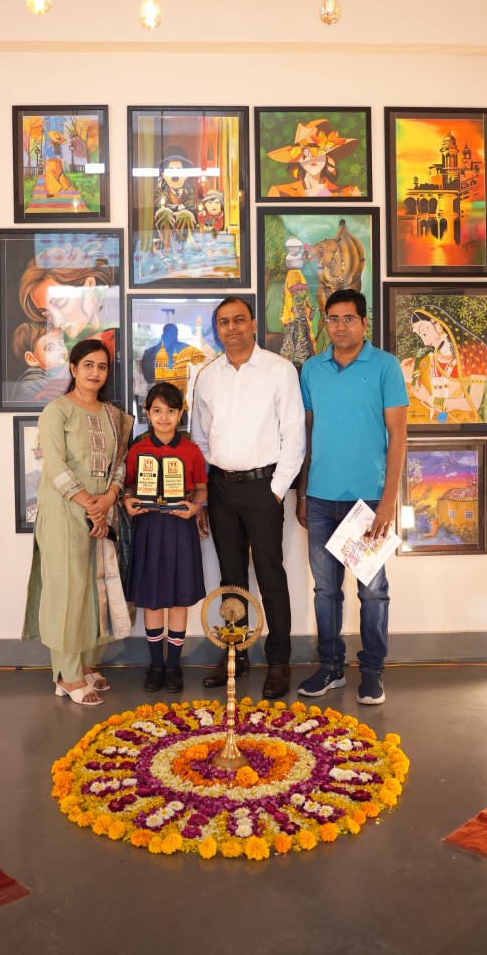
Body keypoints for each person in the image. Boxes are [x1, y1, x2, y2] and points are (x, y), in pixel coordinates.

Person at [297, 288, 408, 706]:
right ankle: (330, 667)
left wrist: (388, 501)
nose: (340, 326)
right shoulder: (312, 370)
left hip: (368, 502)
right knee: (325, 590)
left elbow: (399, 435)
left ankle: (373, 670)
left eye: (349, 318)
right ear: (325, 322)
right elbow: (307, 435)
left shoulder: (385, 366)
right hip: (320, 499)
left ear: (364, 323)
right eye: (333, 318)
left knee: (372, 591)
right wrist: (303, 492)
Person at [191, 297, 305, 699]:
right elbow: (200, 438)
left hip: (263, 486)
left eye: (239, 319)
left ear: (253, 324)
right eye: (224, 322)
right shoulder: (208, 376)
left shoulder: (279, 370)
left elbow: (294, 434)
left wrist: (276, 490)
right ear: (217, 329)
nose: (232, 327)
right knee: (231, 577)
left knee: (271, 576)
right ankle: (235, 655)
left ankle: (279, 662)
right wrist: (205, 492)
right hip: (221, 488)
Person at [22, 339, 133, 707]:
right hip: (64, 513)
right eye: (88, 365)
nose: (95, 373)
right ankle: (66, 675)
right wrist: (90, 504)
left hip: (100, 512)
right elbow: (54, 465)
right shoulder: (57, 411)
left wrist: (109, 499)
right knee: (67, 592)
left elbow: (120, 464)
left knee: (91, 590)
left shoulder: (112, 415)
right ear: (72, 368)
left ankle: (85, 664)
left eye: (102, 366)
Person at [123, 381, 207, 694]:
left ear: (180, 414)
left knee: (179, 596)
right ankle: (156, 664)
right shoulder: (137, 450)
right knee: (152, 597)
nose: (164, 417)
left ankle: (173, 665)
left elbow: (201, 487)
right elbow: (128, 486)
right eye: (157, 411)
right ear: (147, 413)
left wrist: (196, 507)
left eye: (171, 411)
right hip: (148, 526)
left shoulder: (191, 450)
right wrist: (128, 501)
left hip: (179, 526)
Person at [400, 305, 487, 425]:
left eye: (424, 333)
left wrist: (431, 400)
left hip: (462, 420)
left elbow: (474, 403)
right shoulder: (428, 359)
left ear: (438, 324)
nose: (425, 342)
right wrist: (406, 378)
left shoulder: (475, 351)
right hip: (433, 421)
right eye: (420, 336)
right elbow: (416, 393)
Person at [265, 119, 361, 198]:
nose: (313, 159)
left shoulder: (349, 192)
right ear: (298, 158)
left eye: (319, 153)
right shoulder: (280, 192)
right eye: (306, 153)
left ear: (327, 156)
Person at [10, 321, 69, 403]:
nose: (60, 349)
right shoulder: (33, 380)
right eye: (50, 348)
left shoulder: (63, 370)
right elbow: (27, 403)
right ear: (32, 359)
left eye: (61, 344)